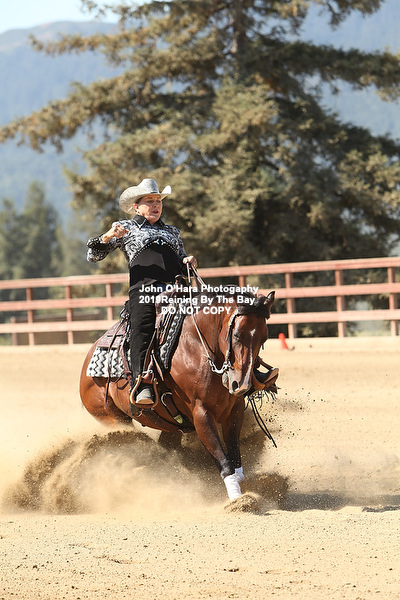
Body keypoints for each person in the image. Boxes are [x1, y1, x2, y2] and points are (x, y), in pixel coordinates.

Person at [87, 177, 197, 405]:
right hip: (144, 292)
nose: (156, 205)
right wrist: (108, 236)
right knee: (143, 327)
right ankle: (141, 382)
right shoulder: (125, 228)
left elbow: (180, 263)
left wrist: (187, 262)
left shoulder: (173, 232)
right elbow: (93, 256)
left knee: (209, 318)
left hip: (177, 291)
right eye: (150, 201)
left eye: (159, 201)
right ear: (136, 206)